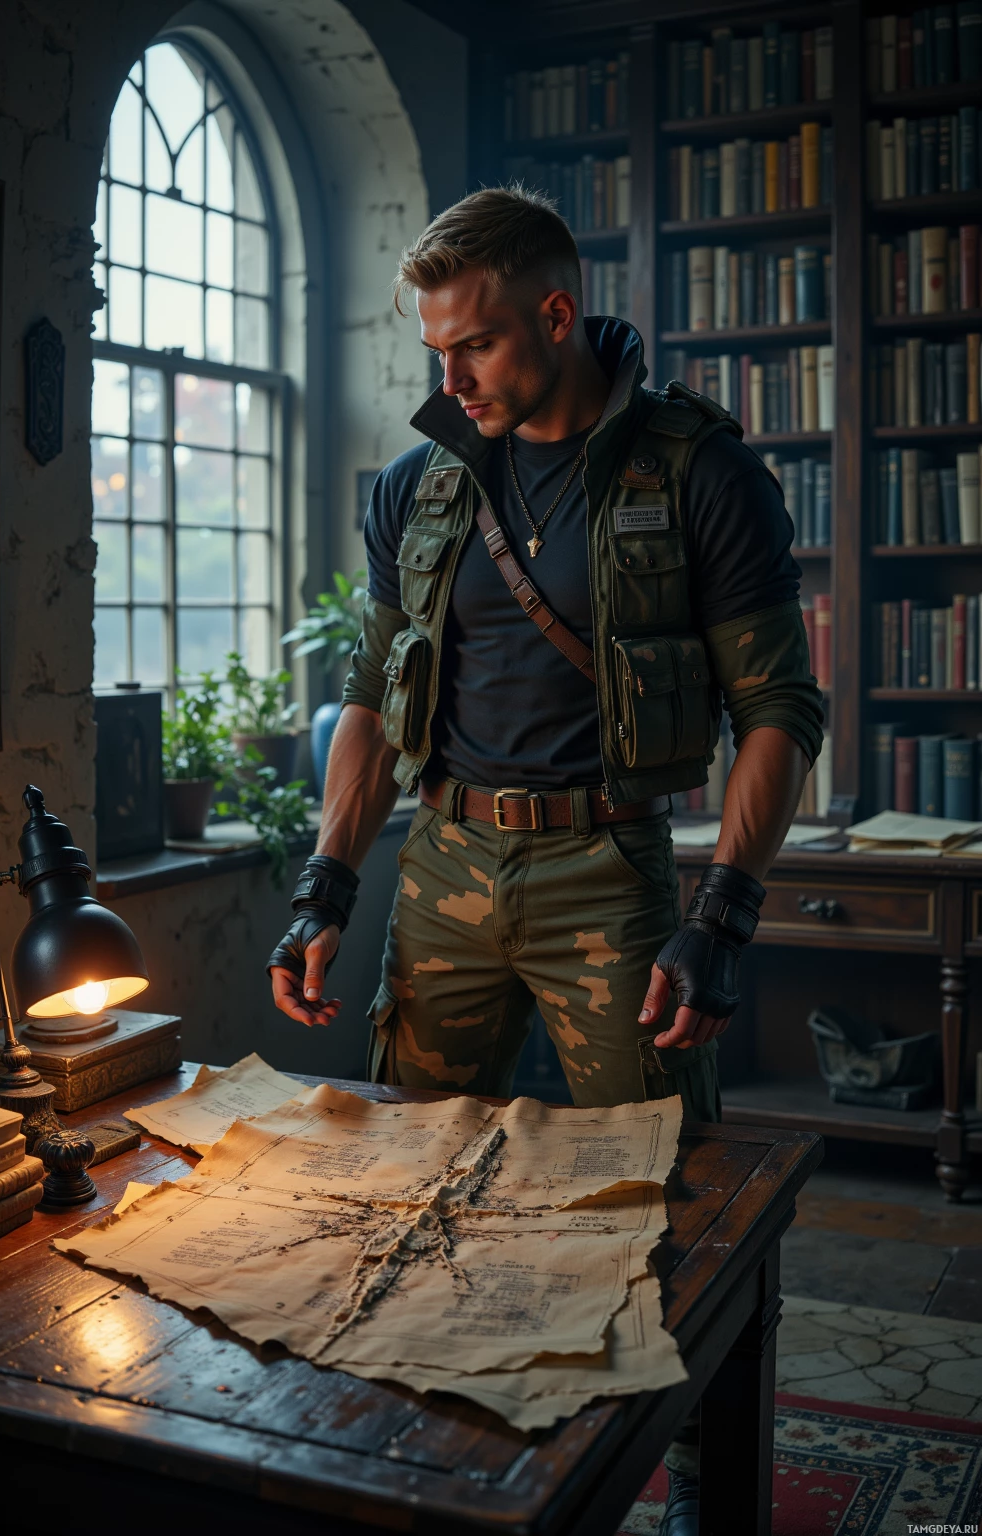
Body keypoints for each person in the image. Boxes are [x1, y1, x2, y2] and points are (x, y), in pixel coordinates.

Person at [268, 185, 823, 1536]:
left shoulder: (696, 471)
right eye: (433, 353)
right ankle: (418, 1475)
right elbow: (367, 696)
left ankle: (697, 1482)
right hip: (447, 866)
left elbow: (777, 710)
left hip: (608, 877)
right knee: (413, 1190)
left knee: (643, 1206)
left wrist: (723, 915)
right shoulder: (417, 482)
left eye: (473, 348)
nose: (445, 380)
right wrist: (328, 881)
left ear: (556, 316)